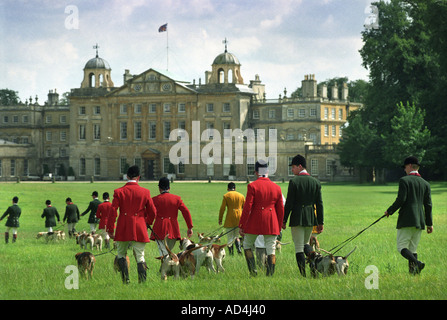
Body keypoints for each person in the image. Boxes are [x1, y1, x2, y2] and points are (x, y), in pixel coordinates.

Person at [385, 156, 433, 275]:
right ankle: (413, 275)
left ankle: (417, 263)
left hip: (406, 219)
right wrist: (429, 223)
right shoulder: (426, 184)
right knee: (413, 249)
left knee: (401, 247)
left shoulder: (404, 180)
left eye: (405, 167)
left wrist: (389, 211)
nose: (404, 169)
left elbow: (401, 199)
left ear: (410, 166)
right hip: (420, 221)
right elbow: (428, 205)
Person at [112, 165, 157, 284]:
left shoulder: (118, 191)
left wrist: (111, 228)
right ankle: (142, 282)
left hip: (123, 227)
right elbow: (153, 212)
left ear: (127, 176)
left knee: (121, 254)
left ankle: (125, 280)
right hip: (139, 226)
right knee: (140, 256)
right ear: (139, 177)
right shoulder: (145, 192)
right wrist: (147, 223)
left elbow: (113, 211)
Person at [239, 160, 284, 276]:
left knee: (247, 246)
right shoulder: (277, 188)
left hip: (255, 221)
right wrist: (278, 226)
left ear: (256, 172)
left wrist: (242, 225)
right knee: (271, 250)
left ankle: (253, 271)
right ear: (268, 171)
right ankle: (270, 275)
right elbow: (280, 210)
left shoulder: (252, 186)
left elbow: (247, 208)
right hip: (271, 222)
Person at [283, 154, 324, 277]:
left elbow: (289, 203)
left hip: (297, 217)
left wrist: (284, 219)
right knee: (306, 244)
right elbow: (319, 204)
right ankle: (314, 267)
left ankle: (303, 275)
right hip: (311, 218)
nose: (292, 169)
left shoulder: (294, 181)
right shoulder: (315, 182)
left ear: (300, 166)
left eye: (294, 167)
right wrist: (320, 222)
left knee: (299, 247)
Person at [148, 177, 193, 256]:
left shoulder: (154, 200)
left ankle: (172, 264)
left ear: (159, 188)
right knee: (168, 252)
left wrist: (147, 223)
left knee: (164, 254)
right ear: (169, 188)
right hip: (173, 229)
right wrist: (189, 227)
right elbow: (186, 211)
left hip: (160, 228)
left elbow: (149, 212)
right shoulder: (177, 199)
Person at [218, 182, 245, 255]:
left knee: (230, 237)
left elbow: (222, 209)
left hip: (230, 218)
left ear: (228, 189)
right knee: (237, 236)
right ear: (235, 188)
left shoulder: (226, 196)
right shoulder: (241, 196)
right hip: (240, 218)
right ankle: (239, 249)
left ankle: (231, 253)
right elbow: (245, 208)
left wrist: (220, 219)